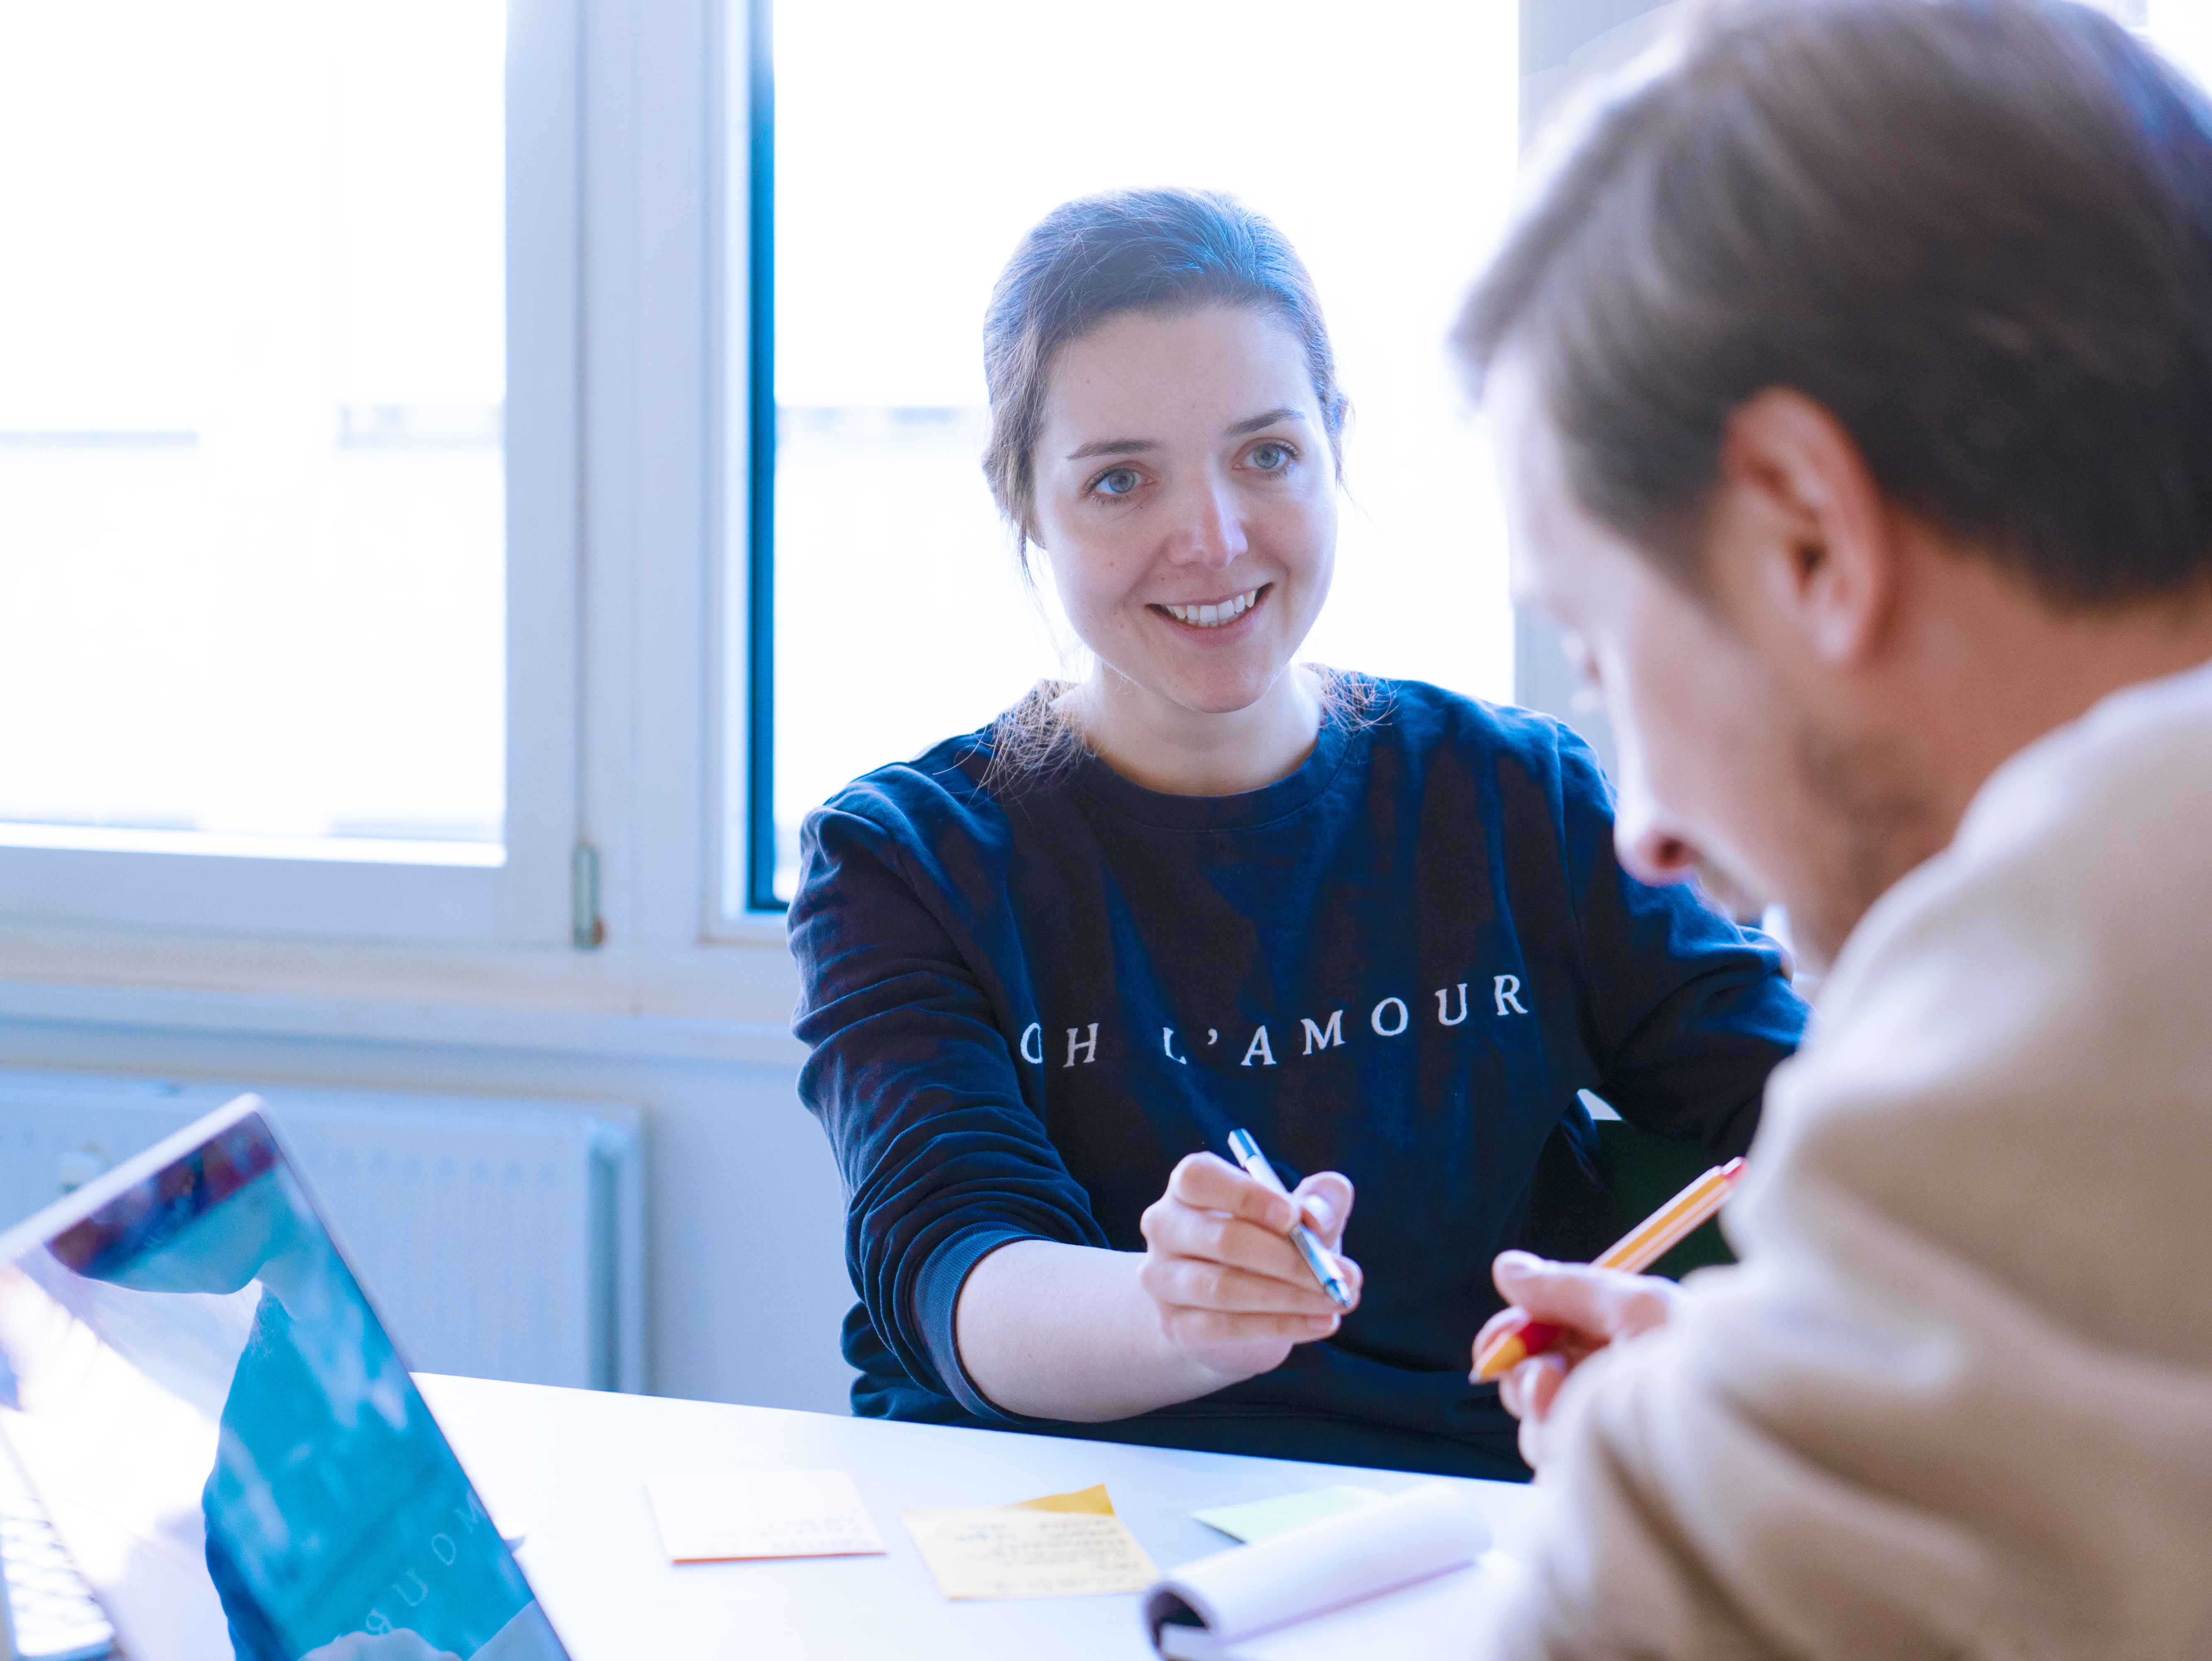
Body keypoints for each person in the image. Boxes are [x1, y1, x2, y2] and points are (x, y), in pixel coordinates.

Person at [786, 186, 1807, 1480]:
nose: (1211, 541)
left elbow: (1797, 1107)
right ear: (1026, 503)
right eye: (1119, 481)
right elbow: (955, 1267)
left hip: (1454, 1525)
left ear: (1334, 444)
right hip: (1058, 1525)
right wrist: (1180, 1316)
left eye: (1265, 455)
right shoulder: (903, 859)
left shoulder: (1515, 801)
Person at [1452, 0, 2212, 1651]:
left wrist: (1705, 1443)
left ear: (1808, 532)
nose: (1644, 833)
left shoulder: (2106, 918)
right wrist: (1795, 1380)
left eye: (1603, 654)